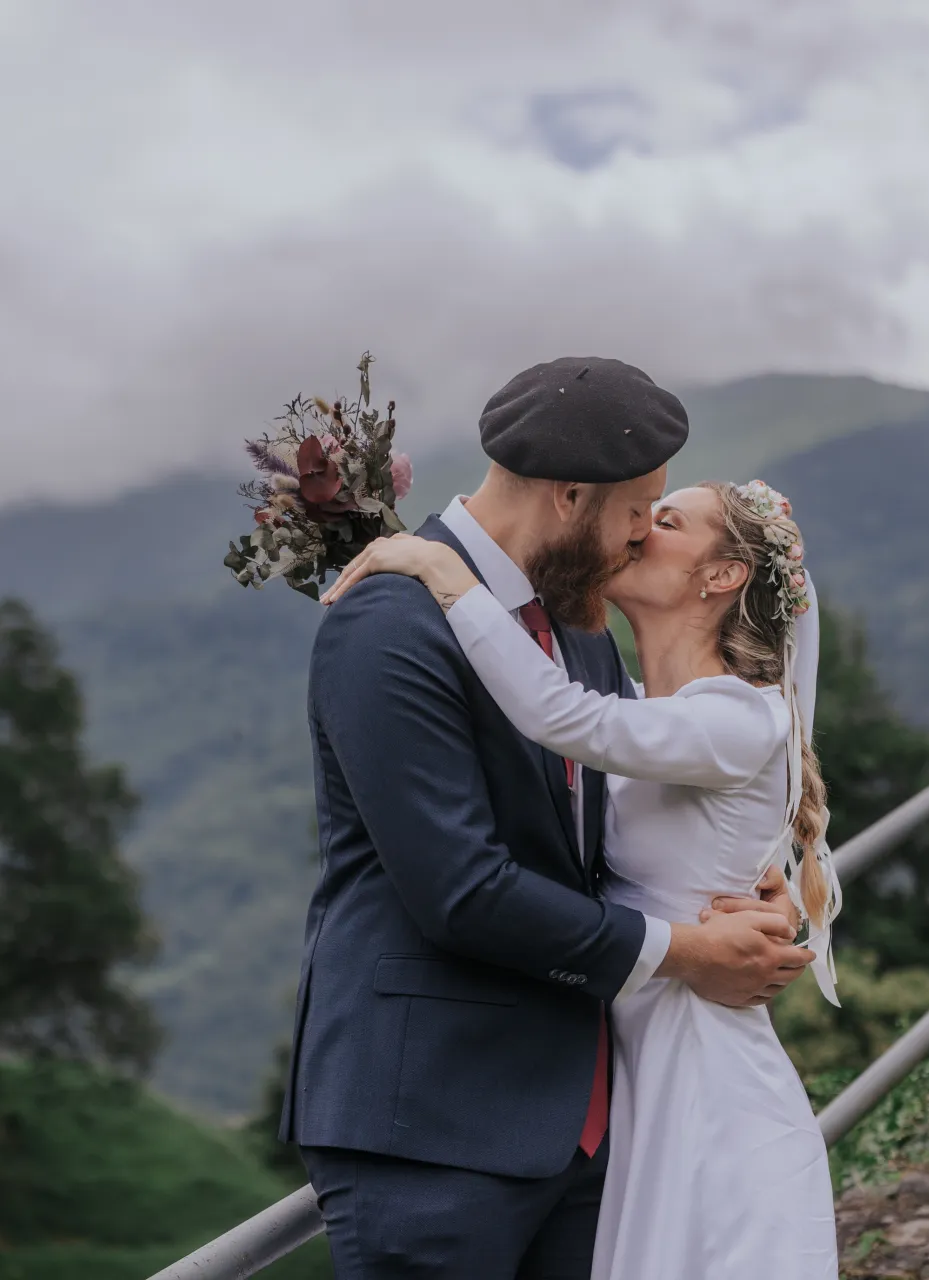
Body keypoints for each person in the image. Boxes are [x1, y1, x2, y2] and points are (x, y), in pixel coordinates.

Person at [276, 356, 819, 1280]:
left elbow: (614, 835)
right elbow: (463, 891)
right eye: (637, 512)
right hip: (431, 1125)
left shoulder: (578, 626)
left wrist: (746, 892)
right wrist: (691, 951)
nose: (641, 535)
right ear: (570, 497)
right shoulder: (391, 623)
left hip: (585, 1121)